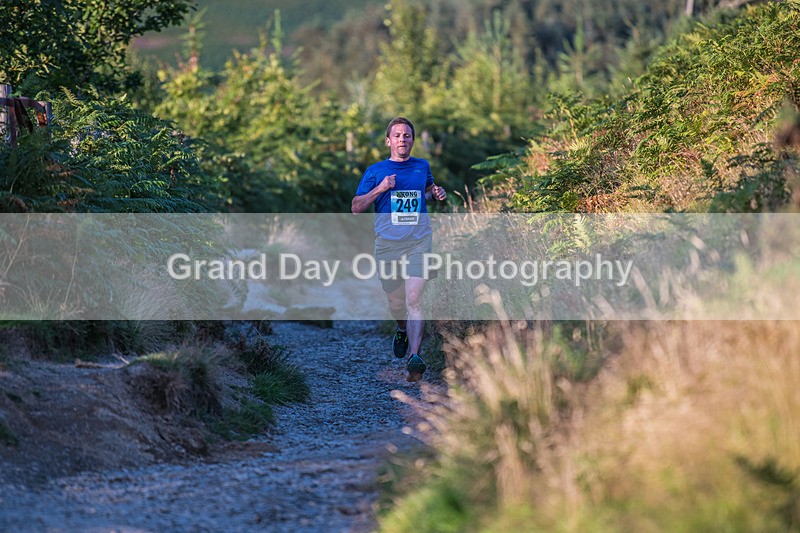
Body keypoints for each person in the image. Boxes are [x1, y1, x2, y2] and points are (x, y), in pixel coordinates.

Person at [351, 117, 446, 382]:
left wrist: (437, 192)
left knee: (414, 299)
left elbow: (427, 189)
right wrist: (380, 189)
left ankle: (415, 357)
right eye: (397, 135)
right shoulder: (375, 171)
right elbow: (356, 207)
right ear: (388, 141)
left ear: (412, 140)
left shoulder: (422, 166)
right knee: (396, 302)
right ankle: (401, 328)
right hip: (388, 244)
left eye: (407, 135)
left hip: (419, 241)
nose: (402, 139)